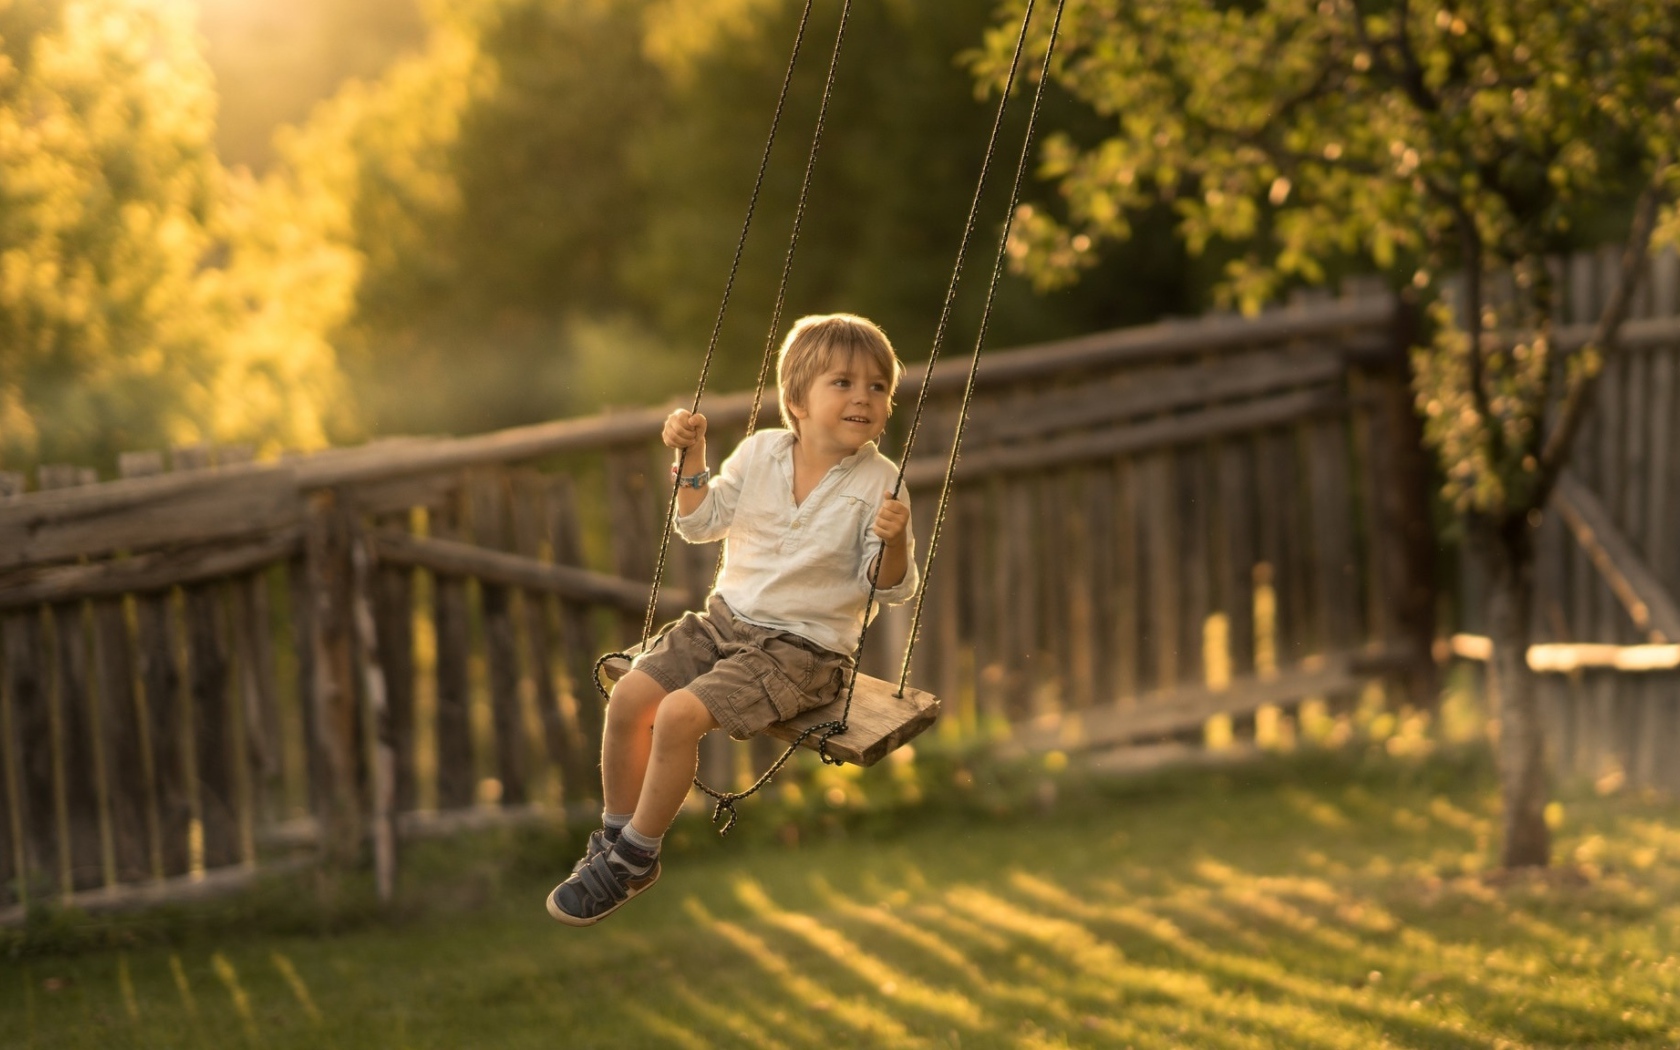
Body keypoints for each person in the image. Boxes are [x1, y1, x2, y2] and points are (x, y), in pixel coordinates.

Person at [547, 313, 920, 926]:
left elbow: (890, 588)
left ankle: (637, 857)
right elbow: (698, 523)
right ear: (797, 400)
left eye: (878, 387)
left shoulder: (883, 484)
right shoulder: (760, 452)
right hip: (722, 623)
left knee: (677, 715)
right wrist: (691, 454)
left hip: (802, 652)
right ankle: (615, 839)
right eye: (844, 383)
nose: (864, 397)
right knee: (630, 696)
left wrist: (896, 540)